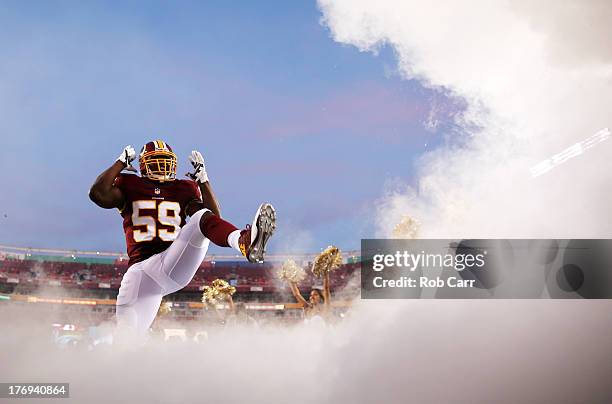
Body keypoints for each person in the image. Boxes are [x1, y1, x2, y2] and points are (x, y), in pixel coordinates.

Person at [89, 141, 276, 333]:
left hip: (172, 260)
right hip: (140, 272)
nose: (162, 167)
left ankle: (244, 241)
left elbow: (212, 219)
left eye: (165, 161)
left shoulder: (183, 188)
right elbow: (97, 193)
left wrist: (203, 180)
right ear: (144, 165)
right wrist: (120, 162)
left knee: (201, 217)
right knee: (125, 340)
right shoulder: (130, 184)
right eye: (156, 162)